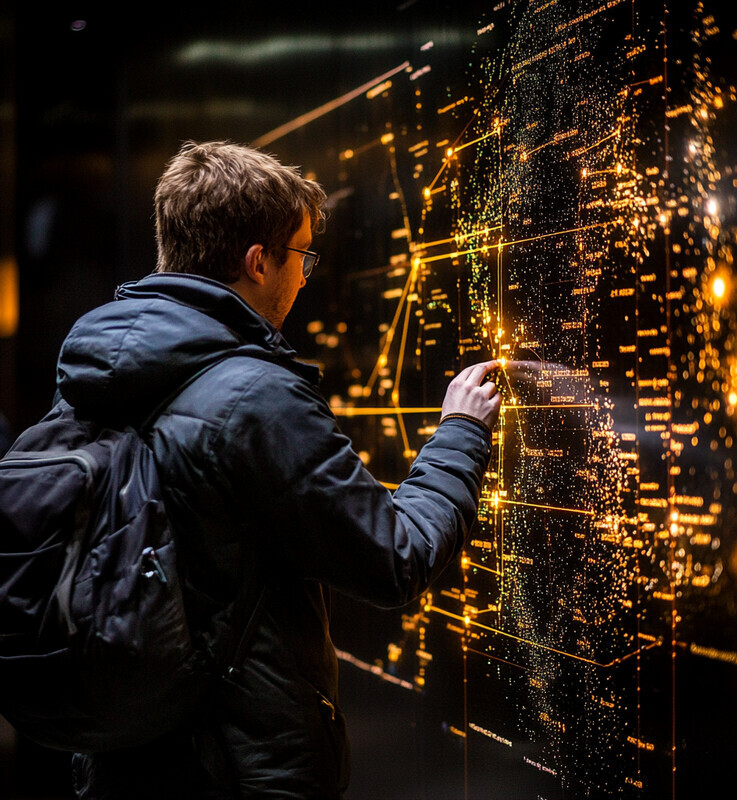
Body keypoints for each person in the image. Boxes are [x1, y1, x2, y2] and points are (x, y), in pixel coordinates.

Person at [57, 140, 501, 799]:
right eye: (300, 255)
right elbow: (395, 557)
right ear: (257, 262)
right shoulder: (254, 397)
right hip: (237, 771)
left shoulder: (91, 374)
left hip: (117, 760)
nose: (304, 276)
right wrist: (461, 432)